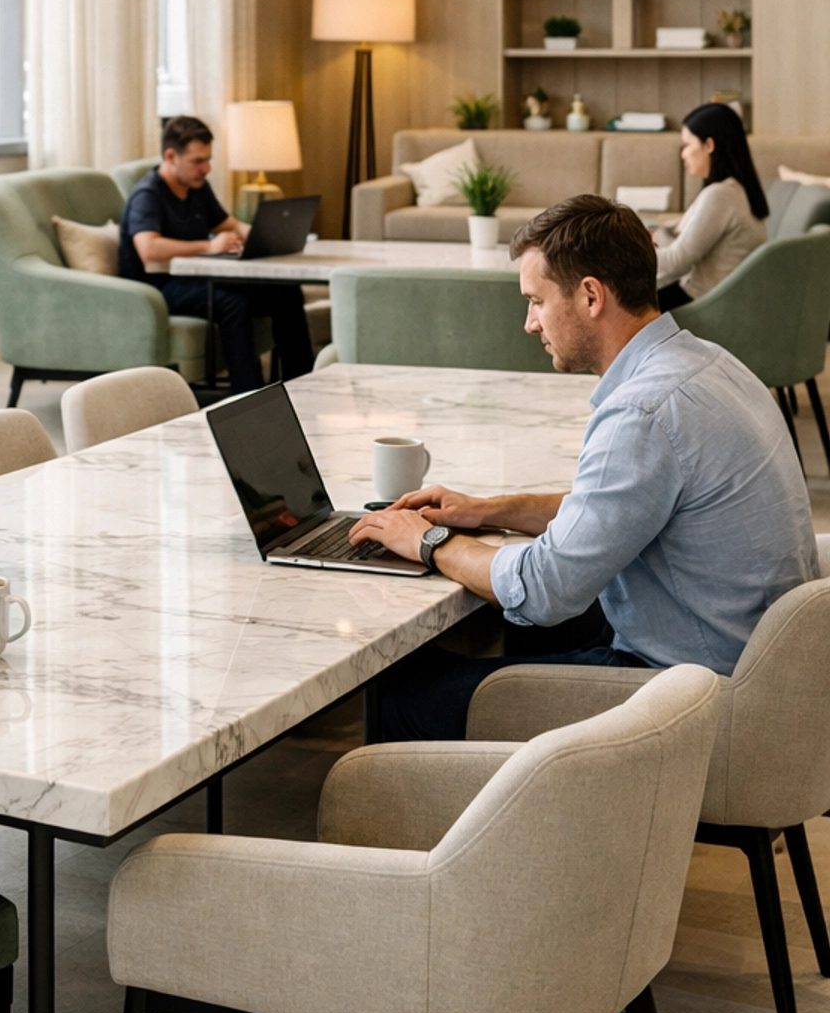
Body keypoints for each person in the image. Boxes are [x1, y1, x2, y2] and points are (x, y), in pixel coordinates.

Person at [349, 194, 816, 741]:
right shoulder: (709, 364)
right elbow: (619, 511)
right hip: (754, 672)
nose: (529, 323)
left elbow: (544, 588)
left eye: (536, 301)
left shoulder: (643, 411)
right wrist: (486, 511)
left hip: (697, 701)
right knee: (526, 632)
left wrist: (429, 541)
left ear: (591, 295)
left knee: (402, 695)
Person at [119, 114, 314, 395]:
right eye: (197, 161)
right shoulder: (148, 195)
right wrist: (209, 247)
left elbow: (229, 224)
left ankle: (301, 387)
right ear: (171, 156)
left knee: (285, 291)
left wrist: (268, 235)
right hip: (159, 286)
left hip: (198, 278)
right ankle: (249, 395)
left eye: (208, 159)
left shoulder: (195, 188)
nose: (206, 168)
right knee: (233, 302)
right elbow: (149, 249)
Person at [654, 100, 768, 310]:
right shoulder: (734, 190)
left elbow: (678, 261)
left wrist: (624, 256)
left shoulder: (721, 196)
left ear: (709, 145)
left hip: (704, 306)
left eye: (688, 145)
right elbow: (687, 237)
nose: (683, 154)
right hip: (717, 300)